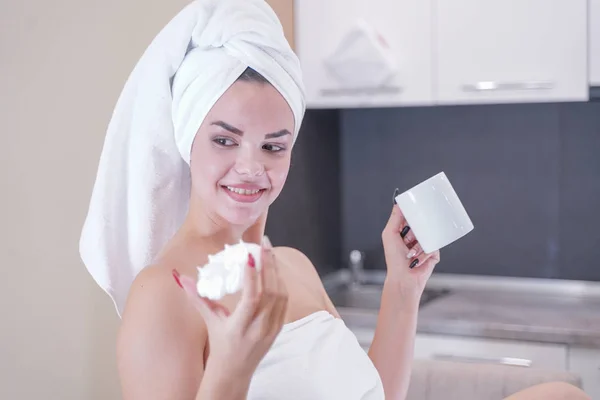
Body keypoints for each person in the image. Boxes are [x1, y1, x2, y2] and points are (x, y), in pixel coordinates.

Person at [79, 1, 591, 399]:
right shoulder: (165, 295)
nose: (252, 167)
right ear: (187, 138)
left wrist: (402, 289)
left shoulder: (294, 268)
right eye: (224, 139)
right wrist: (231, 370)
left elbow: (375, 394)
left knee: (561, 394)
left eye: (273, 146)